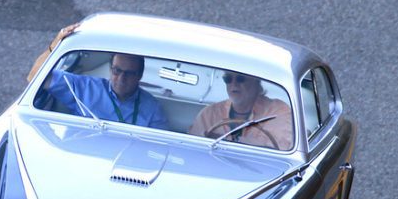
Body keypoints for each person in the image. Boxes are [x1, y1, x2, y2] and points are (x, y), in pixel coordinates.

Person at [39, 53, 169, 129]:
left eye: (129, 73)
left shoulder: (152, 108)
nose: (121, 78)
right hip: (81, 155)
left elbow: (157, 147)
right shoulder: (86, 87)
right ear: (110, 69)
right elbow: (37, 76)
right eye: (117, 71)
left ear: (139, 76)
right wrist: (57, 41)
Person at [188, 71, 294, 150]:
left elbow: (280, 152)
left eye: (240, 79)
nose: (233, 85)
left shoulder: (278, 111)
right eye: (228, 79)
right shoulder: (209, 114)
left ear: (256, 82)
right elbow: (193, 149)